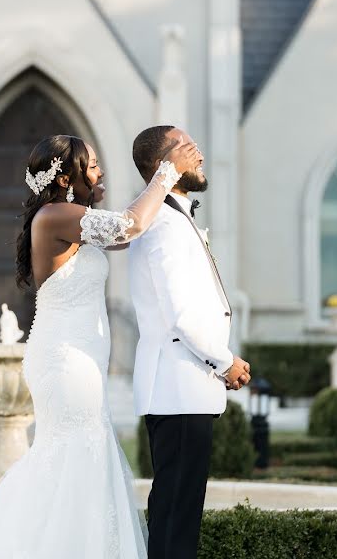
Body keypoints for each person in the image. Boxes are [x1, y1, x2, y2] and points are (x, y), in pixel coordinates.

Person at [0, 133, 201, 558]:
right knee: (75, 460)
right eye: (92, 165)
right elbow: (129, 224)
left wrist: (154, 193)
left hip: (80, 359)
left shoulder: (70, 217)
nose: (100, 172)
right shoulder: (55, 215)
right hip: (66, 360)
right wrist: (166, 172)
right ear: (66, 177)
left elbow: (128, 234)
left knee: (82, 464)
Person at [128, 125, 251, 559]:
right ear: (165, 164)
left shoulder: (171, 218)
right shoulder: (163, 224)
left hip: (184, 389)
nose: (198, 153)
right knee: (176, 519)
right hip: (179, 388)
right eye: (186, 146)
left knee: (174, 514)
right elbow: (182, 315)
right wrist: (225, 362)